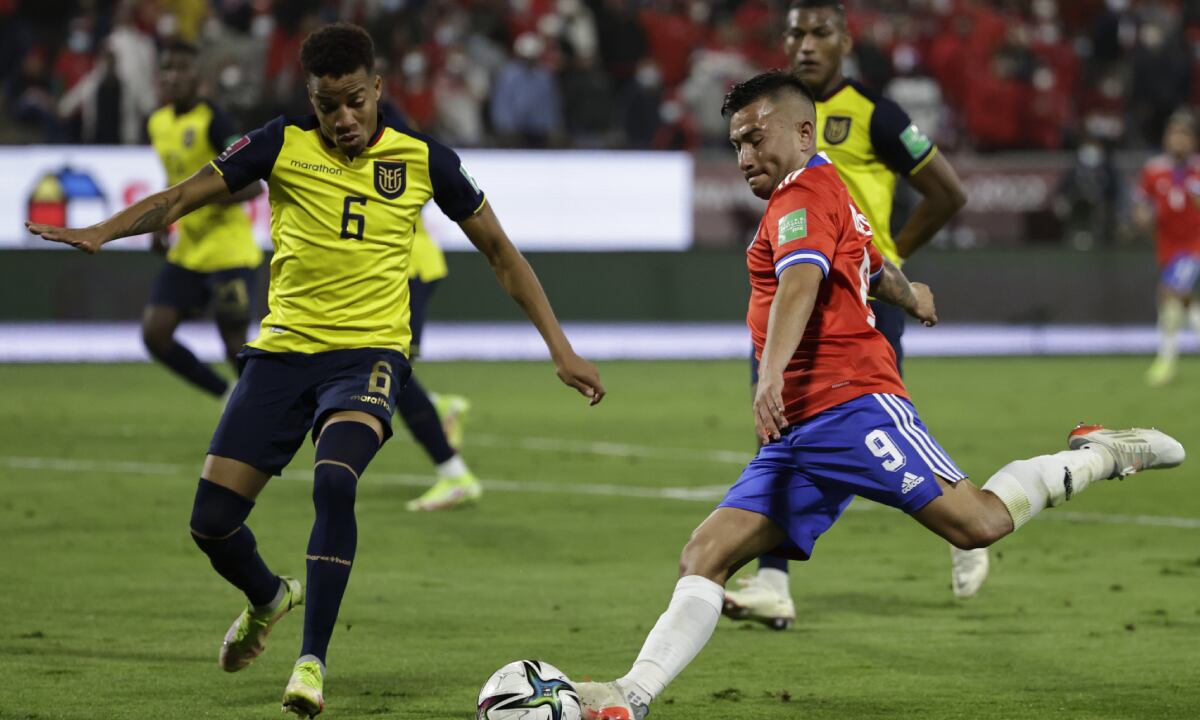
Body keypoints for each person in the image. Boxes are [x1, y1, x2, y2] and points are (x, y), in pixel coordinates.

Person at [27, 23, 605, 719]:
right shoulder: (279, 143)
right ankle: (270, 597)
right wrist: (101, 230)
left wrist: (560, 347)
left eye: (355, 101)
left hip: (368, 358)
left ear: (378, 88)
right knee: (211, 523)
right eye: (328, 105)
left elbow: (503, 255)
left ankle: (311, 662)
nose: (343, 118)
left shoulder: (426, 160)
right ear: (311, 97)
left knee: (334, 481)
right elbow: (182, 196)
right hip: (281, 356)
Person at [574, 71, 1184, 720]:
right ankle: (631, 697)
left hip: (851, 405)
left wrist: (772, 371)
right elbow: (866, 262)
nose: (745, 156)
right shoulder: (829, 186)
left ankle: (1101, 453)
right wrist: (910, 293)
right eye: (736, 145)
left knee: (975, 523)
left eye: (756, 138)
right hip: (800, 435)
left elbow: (802, 280)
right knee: (705, 554)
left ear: (804, 130)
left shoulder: (799, 200)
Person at [728, 0, 973, 629]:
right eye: (795, 33)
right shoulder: (771, 116)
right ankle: (774, 584)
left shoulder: (876, 115)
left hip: (858, 287)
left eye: (820, 33)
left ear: (845, 41)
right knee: (781, 429)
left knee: (859, 414)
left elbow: (948, 192)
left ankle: (958, 514)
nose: (806, 44)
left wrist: (894, 258)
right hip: (795, 282)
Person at [143, 41, 263, 398]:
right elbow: (174, 179)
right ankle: (226, 395)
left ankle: (270, 409)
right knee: (155, 334)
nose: (173, 76)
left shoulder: (215, 121)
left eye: (182, 69)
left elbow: (253, 185)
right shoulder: (158, 122)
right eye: (167, 69)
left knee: (234, 346)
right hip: (189, 250)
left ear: (199, 78)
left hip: (229, 251)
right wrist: (161, 223)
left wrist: (201, 199)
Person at [399, 213, 482, 511]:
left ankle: (455, 476)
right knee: (382, 371)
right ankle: (434, 408)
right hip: (383, 267)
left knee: (392, 373)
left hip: (405, 265)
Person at [1136, 110, 1200, 387]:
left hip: (1194, 246)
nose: (1178, 140)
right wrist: (1142, 218)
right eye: (1174, 133)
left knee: (1168, 293)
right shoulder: (1153, 171)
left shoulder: (1198, 170)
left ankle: (1165, 363)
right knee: (1181, 305)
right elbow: (1141, 206)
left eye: (1184, 134)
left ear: (1194, 140)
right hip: (1167, 247)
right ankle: (1166, 361)